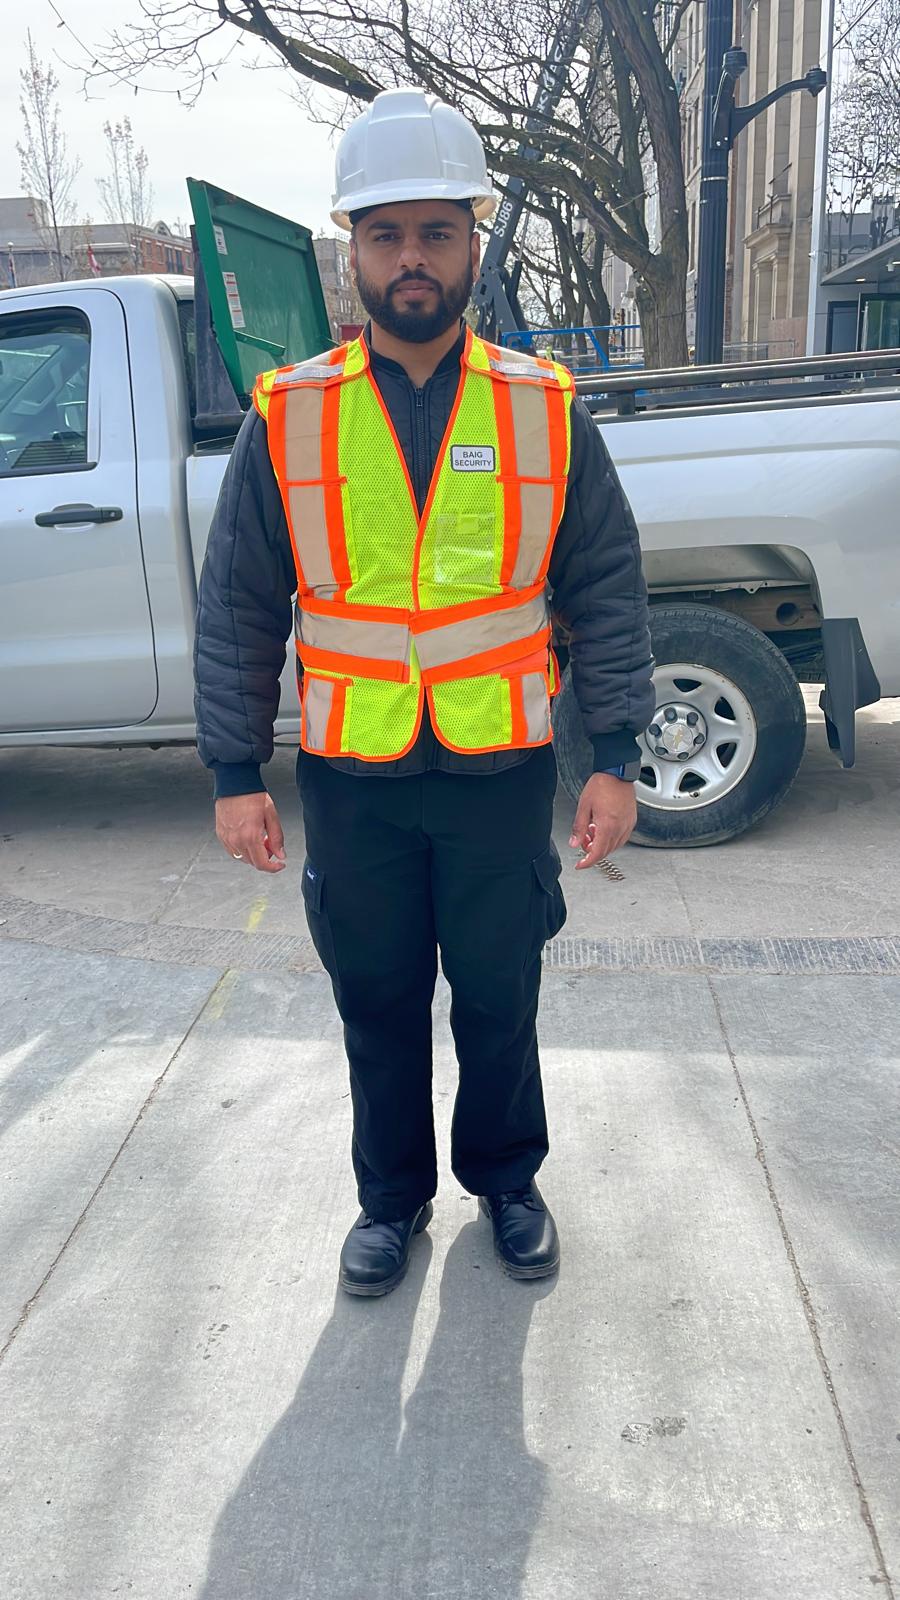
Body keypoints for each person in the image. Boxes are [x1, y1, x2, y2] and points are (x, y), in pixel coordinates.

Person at [194, 87, 654, 1297]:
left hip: (500, 772)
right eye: (387, 233)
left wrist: (615, 753)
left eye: (436, 233)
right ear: (352, 247)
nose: (412, 258)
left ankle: (506, 1179)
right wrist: (236, 772)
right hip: (356, 778)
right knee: (379, 1000)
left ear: (473, 242)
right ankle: (389, 1202)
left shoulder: (542, 408)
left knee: (501, 993)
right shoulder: (288, 416)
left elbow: (604, 584)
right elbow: (240, 601)